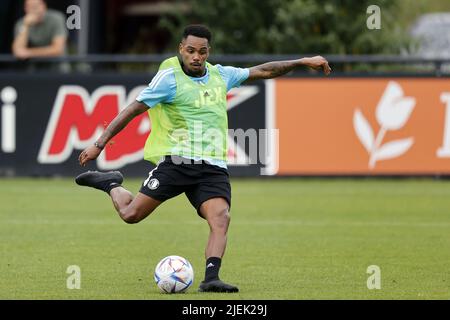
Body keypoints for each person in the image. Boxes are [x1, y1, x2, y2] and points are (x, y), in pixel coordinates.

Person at [75, 24, 331, 293]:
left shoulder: (221, 75)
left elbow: (265, 70)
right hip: (178, 162)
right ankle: (111, 184)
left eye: (202, 51)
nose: (196, 56)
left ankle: (211, 278)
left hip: (212, 167)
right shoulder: (169, 79)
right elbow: (132, 109)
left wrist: (302, 61)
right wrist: (99, 144)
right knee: (130, 214)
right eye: (190, 50)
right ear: (181, 50)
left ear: (209, 52)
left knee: (221, 218)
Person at [12, 0, 67, 70]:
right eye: (30, 6)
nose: (34, 9)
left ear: (44, 6)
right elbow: (18, 51)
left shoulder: (56, 18)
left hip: (56, 69)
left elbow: (58, 49)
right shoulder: (21, 23)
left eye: (36, 5)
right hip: (34, 71)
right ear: (25, 8)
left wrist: (29, 53)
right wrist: (26, 26)